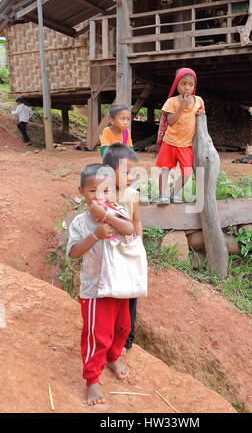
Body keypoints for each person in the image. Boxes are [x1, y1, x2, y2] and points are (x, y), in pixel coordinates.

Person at [67, 163, 135, 406]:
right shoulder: (79, 222)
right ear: (81, 192)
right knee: (97, 334)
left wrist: (107, 216)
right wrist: (94, 235)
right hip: (95, 289)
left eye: (106, 191)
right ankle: (92, 379)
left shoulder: (117, 211)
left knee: (122, 327)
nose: (99, 197)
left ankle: (113, 356)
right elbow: (74, 253)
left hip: (120, 284)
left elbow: (129, 230)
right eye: (93, 191)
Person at [103, 143, 142, 354]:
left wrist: (139, 245)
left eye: (133, 172)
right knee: (110, 297)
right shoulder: (102, 197)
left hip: (129, 252)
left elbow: (137, 222)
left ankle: (127, 340)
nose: (130, 177)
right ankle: (107, 335)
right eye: (126, 172)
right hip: (110, 253)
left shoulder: (132, 195)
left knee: (130, 297)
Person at [156, 67, 205, 205]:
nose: (187, 88)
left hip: (187, 144)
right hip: (170, 141)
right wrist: (181, 106)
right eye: (183, 84)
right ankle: (162, 196)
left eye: (191, 84)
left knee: (187, 172)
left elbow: (202, 113)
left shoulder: (199, 101)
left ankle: (174, 193)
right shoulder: (172, 101)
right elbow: (171, 121)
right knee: (165, 169)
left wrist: (201, 113)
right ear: (177, 84)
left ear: (195, 85)